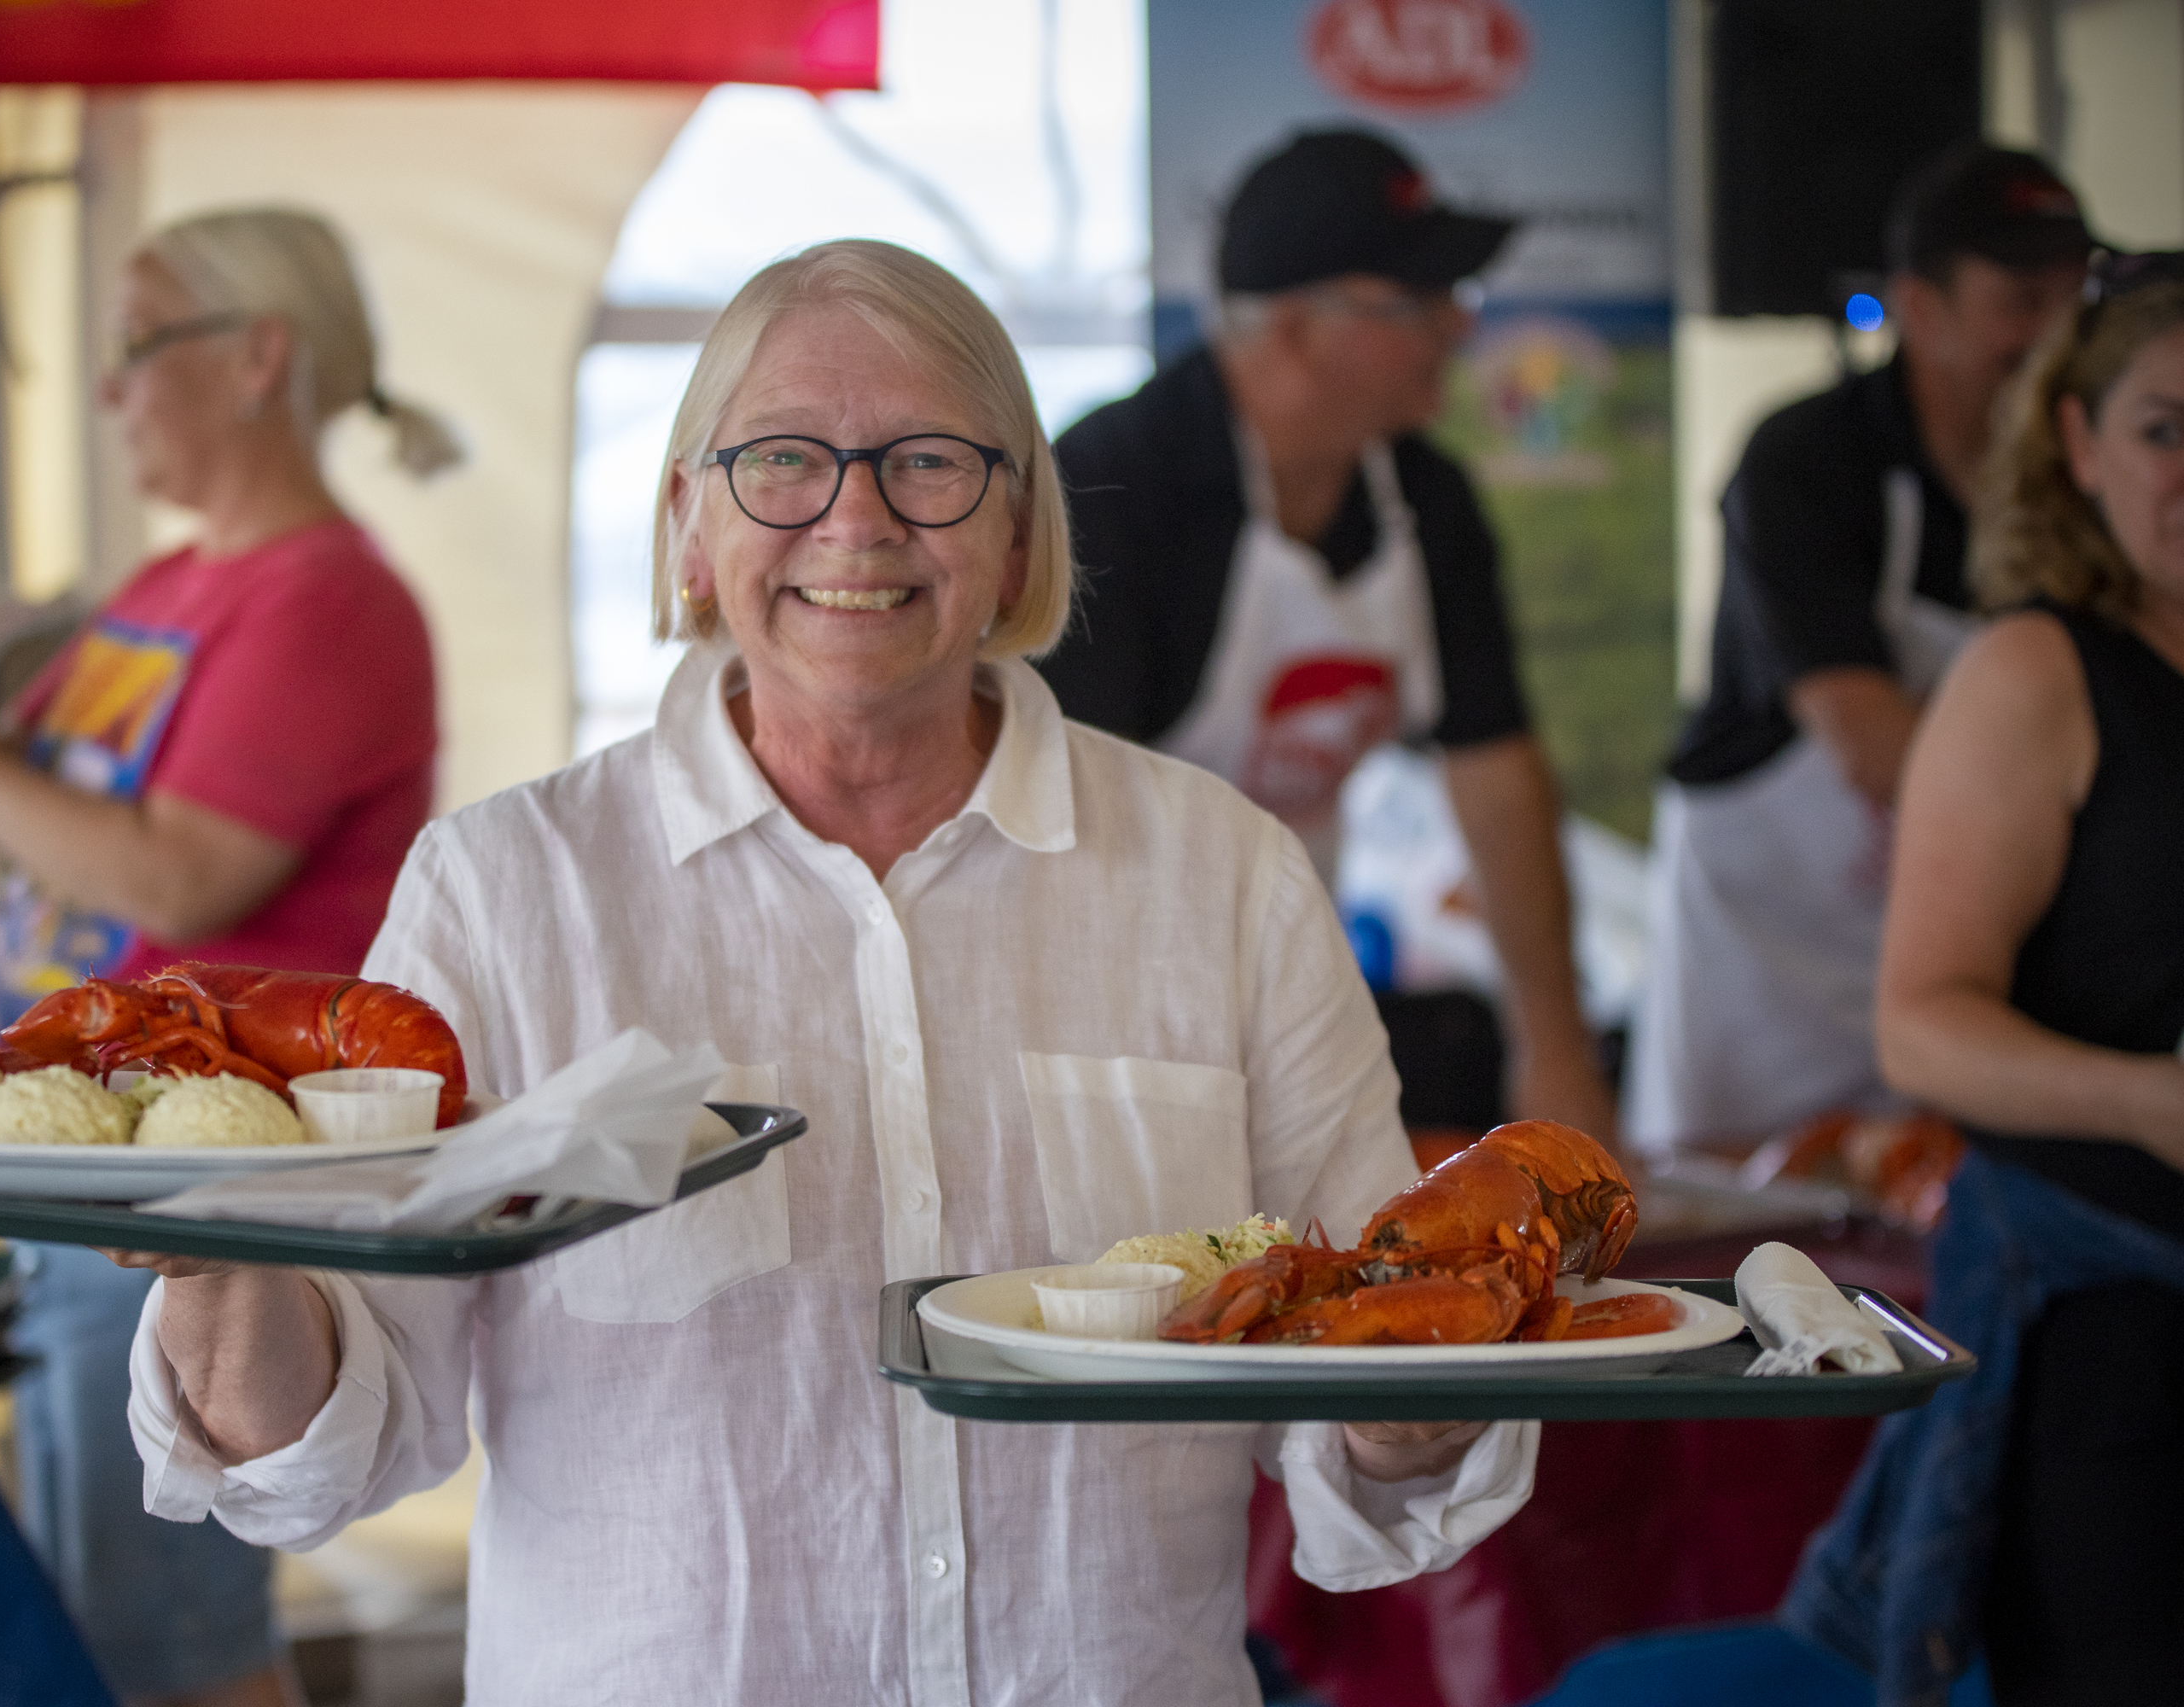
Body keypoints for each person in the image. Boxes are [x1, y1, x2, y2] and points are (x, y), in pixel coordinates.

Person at [110, 240, 1538, 1705]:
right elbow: (318, 1446)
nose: (855, 519)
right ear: (687, 527)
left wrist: (1446, 1370)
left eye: (928, 463)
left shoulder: (1224, 877)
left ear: (1020, 531)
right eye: (782, 461)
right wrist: (218, 1234)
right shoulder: (505, 891)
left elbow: (1369, 1420)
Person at [0, 207, 455, 1707]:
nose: (107, 393)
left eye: (134, 348)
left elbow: (178, 870)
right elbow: (50, 821)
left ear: (256, 360)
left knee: (171, 1649)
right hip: (73, 1156)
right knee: (105, 1623)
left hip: (192, 1167)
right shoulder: (164, 591)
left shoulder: (329, 600)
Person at [1780, 251, 2184, 1704]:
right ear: (2079, 444)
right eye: (2163, 427)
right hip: (2108, 1337)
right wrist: (2149, 1103)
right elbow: (1925, 1023)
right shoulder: (2037, 674)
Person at [1043, 128, 1615, 1142]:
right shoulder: (1111, 487)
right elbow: (1061, 820)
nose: (1455, 329)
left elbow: (1496, 772)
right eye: (1419, 304)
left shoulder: (1426, 499)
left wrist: (1554, 1047)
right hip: (1100, 1007)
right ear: (1296, 329)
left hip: (1296, 989)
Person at [1628, 143, 2093, 1151]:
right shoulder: (1808, 461)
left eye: (2074, 300)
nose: (2056, 335)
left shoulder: (2081, 489)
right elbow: (1871, 745)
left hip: (1965, 982)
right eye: (2020, 299)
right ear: (1918, 310)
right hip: (1767, 985)